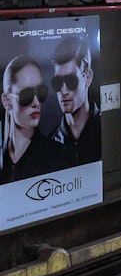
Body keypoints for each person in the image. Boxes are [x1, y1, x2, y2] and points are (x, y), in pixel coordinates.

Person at [1, 55, 70, 183]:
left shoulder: (57, 156)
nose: (36, 102)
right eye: (26, 94)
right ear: (7, 102)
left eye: (40, 92)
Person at [49, 36, 101, 166]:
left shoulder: (106, 129)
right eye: (58, 82)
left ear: (88, 78)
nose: (64, 91)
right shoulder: (50, 145)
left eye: (71, 80)